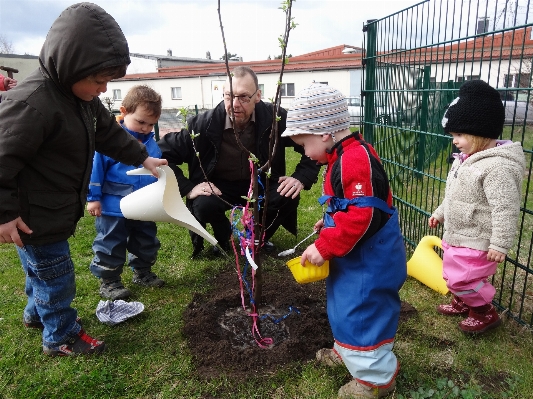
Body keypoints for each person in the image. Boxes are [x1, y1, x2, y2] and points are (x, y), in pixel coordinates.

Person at [0, 3, 167, 357]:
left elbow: (110, 134)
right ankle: (60, 335)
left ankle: (36, 316)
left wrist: (143, 157)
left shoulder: (82, 100)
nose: (104, 89)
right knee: (56, 277)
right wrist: (3, 212)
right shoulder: (32, 104)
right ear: (71, 65)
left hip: (51, 208)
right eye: (99, 80)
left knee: (39, 273)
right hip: (34, 216)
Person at [282, 83, 406, 398]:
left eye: (304, 144)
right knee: (343, 305)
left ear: (324, 133)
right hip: (354, 254)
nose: (305, 153)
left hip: (370, 258)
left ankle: (375, 379)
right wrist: (329, 221)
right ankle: (349, 351)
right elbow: (350, 205)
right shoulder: (342, 155)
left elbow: (364, 216)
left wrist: (324, 245)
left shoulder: (353, 160)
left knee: (362, 311)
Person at [158, 66, 321, 258]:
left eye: (243, 97)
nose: (235, 104)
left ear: (258, 96)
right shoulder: (202, 125)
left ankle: (257, 238)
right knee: (203, 204)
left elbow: (313, 143)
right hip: (220, 186)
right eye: (229, 96)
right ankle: (225, 238)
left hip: (260, 184)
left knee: (286, 195)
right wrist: (188, 188)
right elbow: (159, 154)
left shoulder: (275, 119)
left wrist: (301, 177)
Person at [429, 79, 525, 334]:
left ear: (480, 132)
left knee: (464, 278)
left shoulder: (498, 167)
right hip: (460, 234)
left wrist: (499, 243)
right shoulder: (466, 160)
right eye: (453, 135)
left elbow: (506, 208)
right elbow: (455, 195)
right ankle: (463, 301)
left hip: (478, 237)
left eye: (459, 135)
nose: (454, 141)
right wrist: (440, 212)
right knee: (453, 274)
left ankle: (484, 312)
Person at [87, 85, 165, 300]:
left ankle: (143, 272)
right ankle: (109, 281)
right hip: (114, 207)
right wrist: (93, 199)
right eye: (141, 122)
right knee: (110, 243)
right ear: (123, 111)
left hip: (144, 207)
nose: (146, 128)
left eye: (151, 124)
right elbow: (95, 171)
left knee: (146, 239)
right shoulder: (109, 142)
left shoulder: (150, 143)